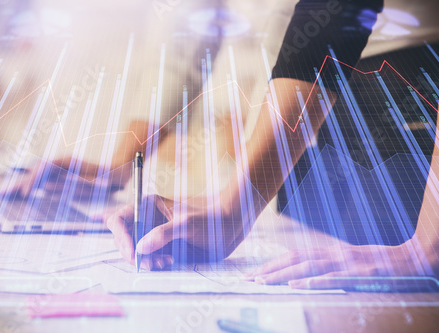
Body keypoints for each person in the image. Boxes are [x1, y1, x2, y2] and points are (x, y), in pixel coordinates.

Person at [106, 0, 439, 287]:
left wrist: (429, 245)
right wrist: (230, 211)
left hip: (414, 97)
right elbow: (192, 21)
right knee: (309, 269)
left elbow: (335, 10)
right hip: (321, 111)